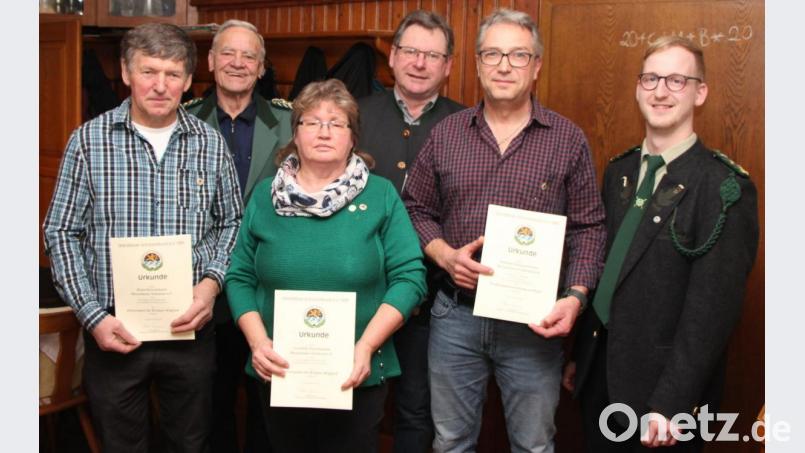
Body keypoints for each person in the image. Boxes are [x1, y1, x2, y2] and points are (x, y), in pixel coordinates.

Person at [401, 9, 606, 453]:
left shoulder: (567, 139)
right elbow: (414, 208)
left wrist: (576, 297)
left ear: (536, 67)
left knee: (534, 445)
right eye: (493, 53)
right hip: (455, 317)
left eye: (518, 54)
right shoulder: (447, 135)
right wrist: (444, 254)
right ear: (477, 64)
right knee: (450, 442)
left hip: (533, 325)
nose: (504, 65)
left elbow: (589, 226)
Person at [42, 23, 242, 452]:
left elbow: (232, 223)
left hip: (190, 325)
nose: (160, 85)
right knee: (121, 445)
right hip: (114, 329)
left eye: (172, 74)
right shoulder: (88, 142)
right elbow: (60, 232)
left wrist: (209, 287)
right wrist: (93, 316)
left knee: (189, 443)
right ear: (126, 72)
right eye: (148, 71)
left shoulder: (208, 143)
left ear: (189, 80)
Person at [564, 36, 759, 452]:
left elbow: (712, 313)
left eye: (676, 80)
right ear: (638, 88)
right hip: (600, 376)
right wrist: (582, 356)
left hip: (662, 398)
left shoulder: (723, 187)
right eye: (651, 78)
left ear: (699, 92)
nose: (660, 91)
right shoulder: (619, 171)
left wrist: (672, 402)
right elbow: (609, 269)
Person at [224, 79, 427, 453]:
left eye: (337, 122)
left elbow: (410, 277)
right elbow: (238, 276)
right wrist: (257, 342)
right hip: (280, 369)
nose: (324, 131)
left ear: (353, 137)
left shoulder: (381, 195)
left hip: (358, 371)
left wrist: (366, 345)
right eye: (312, 121)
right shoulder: (265, 197)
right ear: (295, 133)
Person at [357, 10, 464, 453]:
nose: (420, 63)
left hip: (432, 300)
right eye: (412, 51)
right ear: (394, 57)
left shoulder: (467, 125)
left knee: (418, 411)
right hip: (361, 293)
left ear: (448, 65)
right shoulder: (355, 115)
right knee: (358, 405)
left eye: (432, 54)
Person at [184, 19, 292, 453]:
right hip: (200, 288)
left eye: (249, 56)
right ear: (210, 61)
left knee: (269, 402)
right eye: (228, 53)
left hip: (268, 286)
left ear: (262, 67)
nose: (238, 63)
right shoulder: (184, 120)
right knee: (209, 402)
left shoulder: (289, 122)